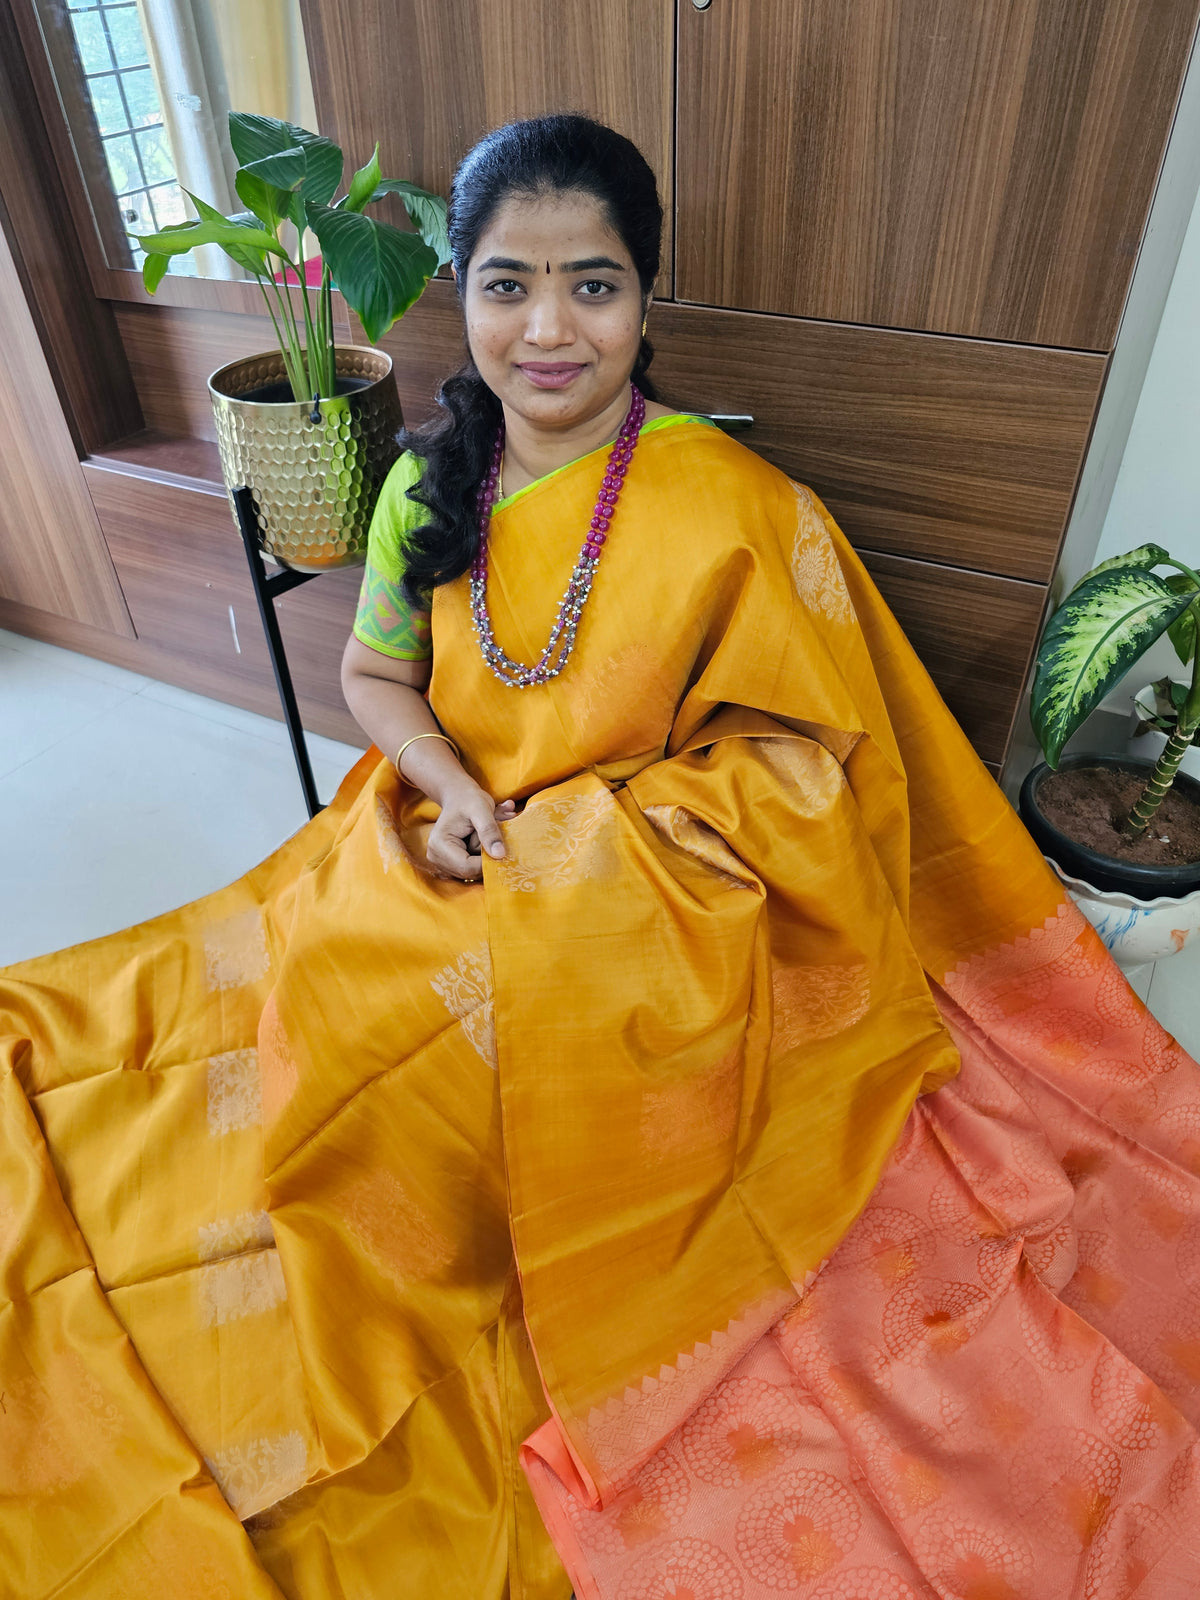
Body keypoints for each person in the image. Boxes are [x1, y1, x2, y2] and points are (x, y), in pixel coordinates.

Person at [2, 113, 1198, 1600]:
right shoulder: (418, 486)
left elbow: (808, 777)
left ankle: (489, 1266)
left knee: (438, 1031)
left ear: (648, 300)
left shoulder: (742, 511)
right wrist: (441, 786)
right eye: (509, 286)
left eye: (595, 285)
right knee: (341, 974)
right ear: (462, 295)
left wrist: (580, 851)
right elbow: (378, 685)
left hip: (657, 888)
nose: (549, 329)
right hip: (441, 821)